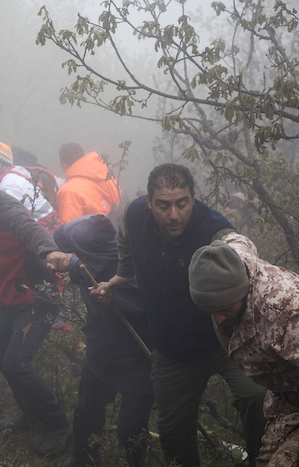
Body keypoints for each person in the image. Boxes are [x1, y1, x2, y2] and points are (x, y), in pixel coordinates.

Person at [92, 163, 267, 467]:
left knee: (256, 398)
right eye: (163, 205)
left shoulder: (214, 230)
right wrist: (122, 276)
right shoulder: (134, 215)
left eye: (182, 203)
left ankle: (263, 460)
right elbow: (124, 239)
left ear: (194, 198)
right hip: (172, 350)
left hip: (226, 341)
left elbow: (243, 260)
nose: (174, 215)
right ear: (148, 201)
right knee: (173, 436)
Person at [0, 153, 71, 456]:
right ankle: (29, 415)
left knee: (17, 363)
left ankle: (57, 424)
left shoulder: (4, 209)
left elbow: (30, 229)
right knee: (2, 358)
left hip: (37, 298)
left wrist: (50, 250)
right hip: (9, 298)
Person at [189, 234, 299, 467]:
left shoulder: (288, 315)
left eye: (224, 309)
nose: (219, 319)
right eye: (210, 311)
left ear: (242, 291)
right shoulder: (232, 261)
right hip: (285, 406)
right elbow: (236, 239)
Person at [54, 215, 153, 467]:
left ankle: (137, 462)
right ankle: (83, 458)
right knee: (87, 408)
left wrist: (116, 299)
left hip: (137, 359)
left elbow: (149, 306)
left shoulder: (131, 267)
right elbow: (66, 245)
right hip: (100, 351)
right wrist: (70, 261)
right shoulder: (86, 260)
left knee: (131, 429)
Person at [0, 141, 58, 232]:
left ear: (6, 166)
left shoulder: (10, 182)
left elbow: (6, 217)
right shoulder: (10, 177)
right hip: (42, 228)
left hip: (48, 232)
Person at [56, 142, 121, 223]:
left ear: (64, 166)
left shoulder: (69, 191)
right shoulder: (105, 175)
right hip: (117, 231)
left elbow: (69, 231)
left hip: (97, 234)